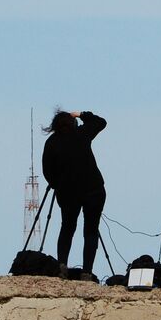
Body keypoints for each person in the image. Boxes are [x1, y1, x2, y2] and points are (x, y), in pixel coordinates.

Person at [40, 109, 108, 277]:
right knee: (91, 231)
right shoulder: (82, 133)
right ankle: (87, 272)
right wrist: (80, 114)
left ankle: (62, 265)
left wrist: (58, 184)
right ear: (73, 123)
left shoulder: (52, 142)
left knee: (67, 228)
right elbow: (100, 122)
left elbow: (47, 171)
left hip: (68, 193)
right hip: (93, 189)